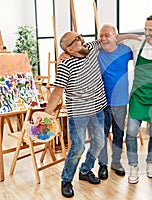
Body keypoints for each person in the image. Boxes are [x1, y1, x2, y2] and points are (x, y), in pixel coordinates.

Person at [44, 32, 107, 198]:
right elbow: (57, 93)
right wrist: (45, 115)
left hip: (98, 108)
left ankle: (85, 170)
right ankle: (66, 180)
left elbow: (109, 39)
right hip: (78, 114)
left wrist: (135, 37)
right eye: (78, 39)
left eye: (80, 36)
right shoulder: (65, 65)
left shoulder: (91, 48)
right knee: (78, 147)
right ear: (70, 49)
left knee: (99, 142)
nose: (82, 39)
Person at [123, 15, 152, 184]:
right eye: (145, 29)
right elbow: (117, 39)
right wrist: (135, 36)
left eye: (151, 29)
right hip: (138, 97)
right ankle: (133, 166)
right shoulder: (137, 45)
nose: (147, 33)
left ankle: (150, 163)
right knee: (131, 133)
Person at [96, 24, 133, 180]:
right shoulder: (96, 54)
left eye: (107, 35)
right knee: (102, 135)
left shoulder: (125, 51)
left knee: (118, 134)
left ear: (115, 37)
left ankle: (116, 162)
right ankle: (103, 164)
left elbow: (143, 51)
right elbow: (77, 51)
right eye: (101, 35)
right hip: (102, 102)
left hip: (121, 102)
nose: (103, 38)